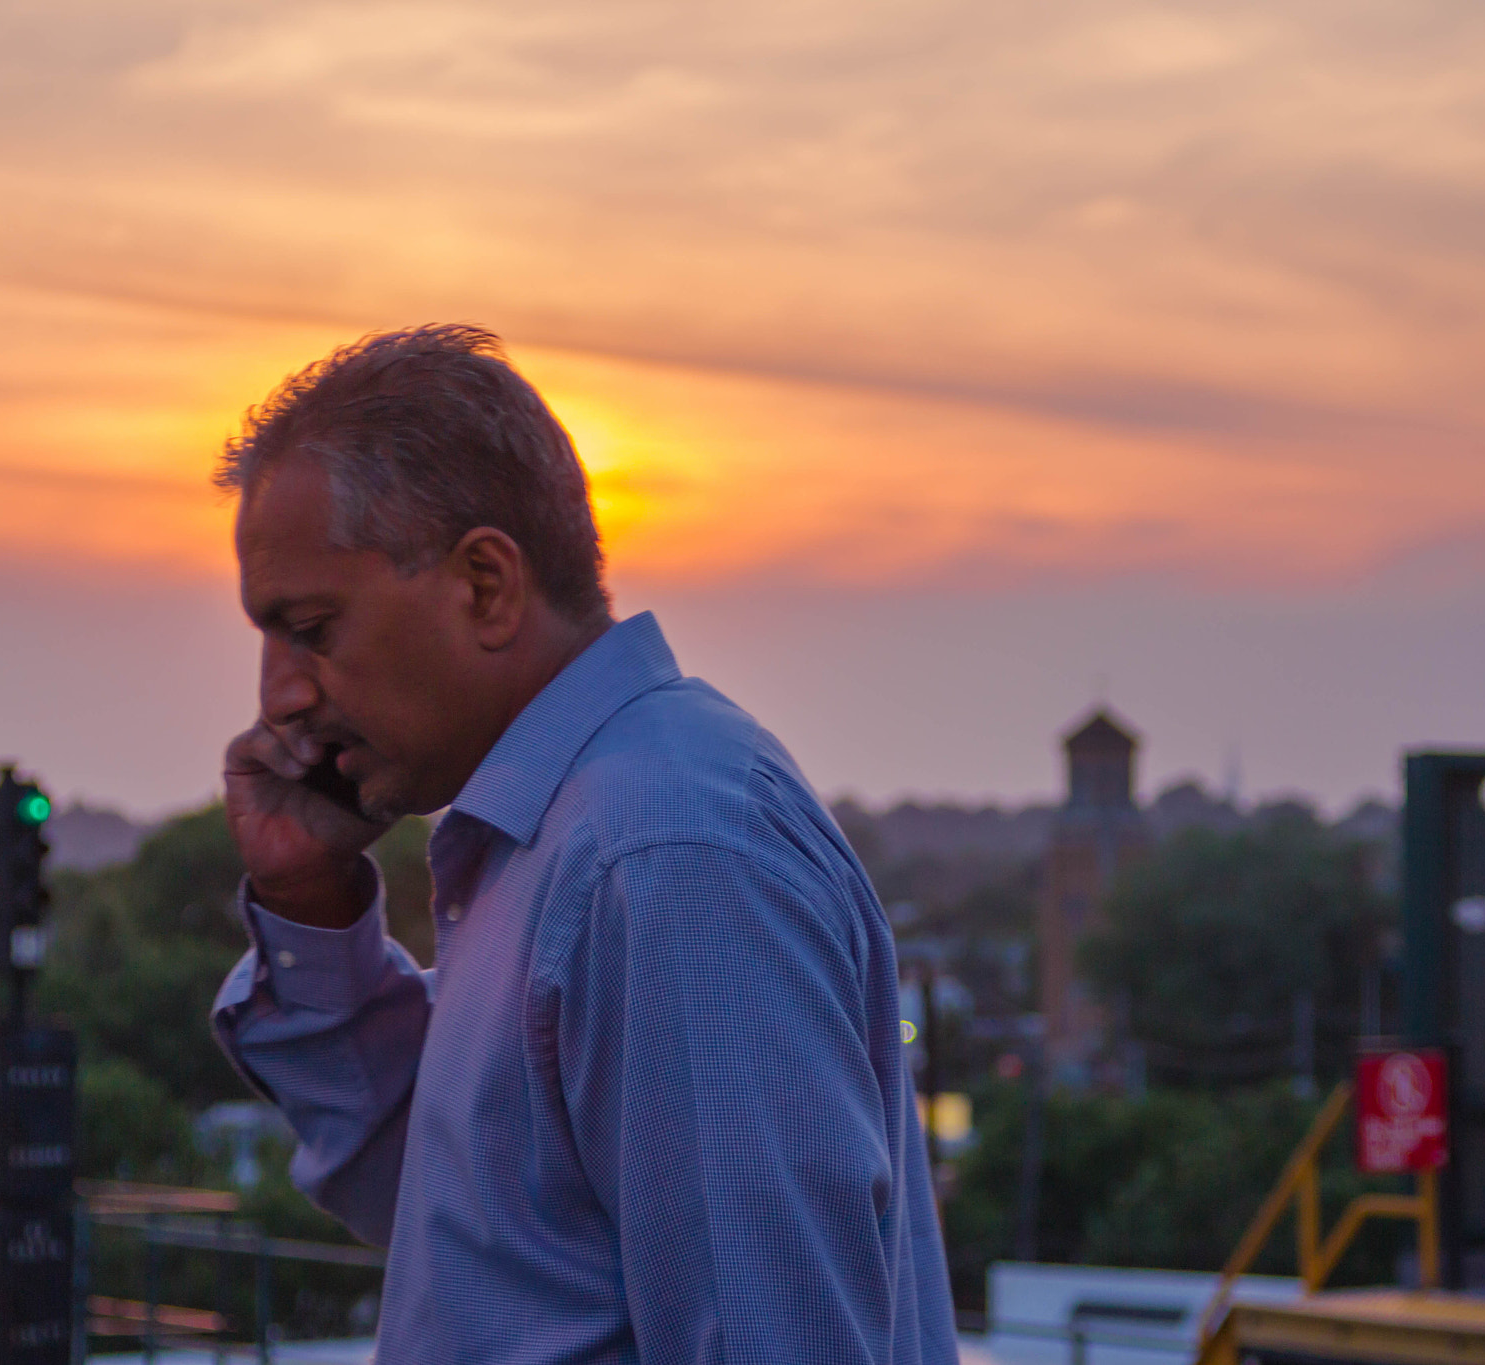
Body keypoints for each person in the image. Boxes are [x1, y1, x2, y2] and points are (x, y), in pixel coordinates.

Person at [209, 324, 957, 1364]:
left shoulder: (661, 857)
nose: (278, 695)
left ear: (484, 585)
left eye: (312, 628)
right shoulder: (561, 839)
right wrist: (311, 903)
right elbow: (447, 1205)